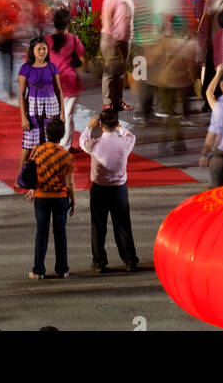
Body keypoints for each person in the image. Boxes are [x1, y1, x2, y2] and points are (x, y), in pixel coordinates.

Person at [79, 109, 139, 272]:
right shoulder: (125, 142)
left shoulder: (94, 144)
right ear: (116, 123)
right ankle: (129, 259)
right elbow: (131, 136)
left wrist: (89, 127)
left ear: (100, 124)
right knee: (123, 225)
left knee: (98, 226)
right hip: (119, 188)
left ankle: (99, 261)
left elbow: (82, 140)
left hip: (99, 188)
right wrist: (121, 128)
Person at [26, 116, 74, 279]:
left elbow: (32, 173)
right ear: (62, 135)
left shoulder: (37, 151)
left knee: (42, 232)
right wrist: (72, 200)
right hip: (60, 198)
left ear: (47, 133)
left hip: (42, 196)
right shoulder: (66, 156)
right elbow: (69, 183)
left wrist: (32, 189)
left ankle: (38, 270)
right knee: (60, 233)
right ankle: (63, 269)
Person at [17, 36, 63, 181]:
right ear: (32, 51)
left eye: (44, 49)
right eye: (39, 49)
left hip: (51, 108)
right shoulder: (25, 69)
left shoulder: (52, 67)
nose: (42, 52)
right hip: (33, 110)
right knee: (29, 144)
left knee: (50, 143)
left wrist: (62, 113)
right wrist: (23, 117)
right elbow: (21, 94)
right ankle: (21, 177)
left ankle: (47, 175)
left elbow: (59, 90)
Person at [100, 0, 135, 113]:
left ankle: (118, 101)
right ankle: (107, 103)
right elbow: (107, 16)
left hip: (125, 38)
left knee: (120, 72)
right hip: (111, 38)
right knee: (110, 72)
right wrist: (110, 37)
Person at [50, 8, 85, 150]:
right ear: (68, 23)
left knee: (54, 115)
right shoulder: (74, 40)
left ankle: (54, 143)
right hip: (70, 83)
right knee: (68, 116)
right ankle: (64, 147)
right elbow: (82, 60)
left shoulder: (47, 40)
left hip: (51, 83)